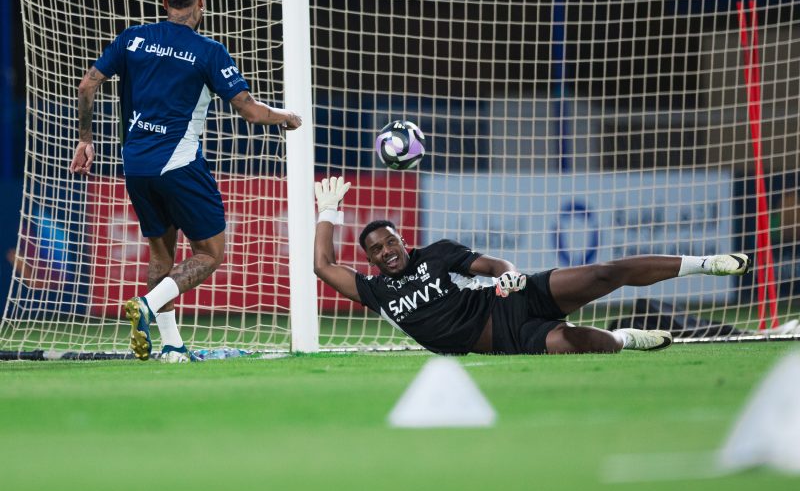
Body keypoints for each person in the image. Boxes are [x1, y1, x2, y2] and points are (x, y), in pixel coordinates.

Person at [70, 0, 302, 362]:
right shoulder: (209, 50)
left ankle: (172, 346)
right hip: (178, 163)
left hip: (136, 165)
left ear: (164, 2)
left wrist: (85, 140)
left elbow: (88, 84)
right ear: (201, 3)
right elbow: (248, 111)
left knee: (161, 254)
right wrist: (286, 117)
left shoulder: (133, 38)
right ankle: (145, 305)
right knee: (210, 253)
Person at [313, 176, 752, 355]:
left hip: (513, 298)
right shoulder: (376, 292)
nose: (385, 251)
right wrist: (327, 213)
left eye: (390, 241)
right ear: (369, 258)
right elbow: (323, 265)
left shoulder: (438, 253)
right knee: (573, 341)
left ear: (402, 240)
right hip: (508, 337)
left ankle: (706, 263)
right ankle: (626, 337)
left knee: (605, 274)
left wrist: (507, 274)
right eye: (375, 249)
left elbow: (493, 264)